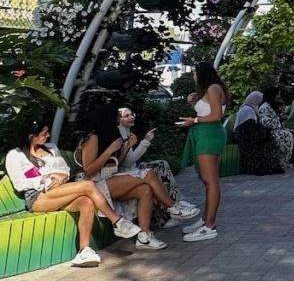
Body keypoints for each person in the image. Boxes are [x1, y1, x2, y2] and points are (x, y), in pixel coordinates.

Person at [5, 118, 142, 267]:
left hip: (60, 190)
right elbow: (20, 183)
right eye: (44, 133)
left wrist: (61, 177)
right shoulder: (15, 155)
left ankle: (84, 251)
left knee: (87, 201)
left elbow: (65, 169)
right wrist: (46, 178)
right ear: (31, 136)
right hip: (37, 196)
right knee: (88, 185)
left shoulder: (51, 148)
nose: (48, 135)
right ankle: (118, 222)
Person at [78, 103, 199, 251]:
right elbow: (88, 170)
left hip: (109, 178)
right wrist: (110, 149)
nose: (118, 119)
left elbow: (117, 163)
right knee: (148, 174)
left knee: (145, 189)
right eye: (117, 116)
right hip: (95, 184)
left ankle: (144, 236)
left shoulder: (110, 134)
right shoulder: (92, 137)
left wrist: (126, 147)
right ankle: (173, 207)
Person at [117, 106, 196, 228]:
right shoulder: (119, 134)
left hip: (132, 169)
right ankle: (171, 208)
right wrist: (145, 142)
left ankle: (175, 203)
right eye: (126, 116)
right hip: (126, 172)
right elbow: (126, 162)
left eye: (132, 114)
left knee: (161, 164)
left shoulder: (126, 131)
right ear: (118, 119)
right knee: (153, 173)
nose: (131, 117)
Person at [180, 61, 228, 242]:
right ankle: (205, 220)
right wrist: (193, 103)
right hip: (204, 134)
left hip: (209, 135)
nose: (193, 77)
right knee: (207, 181)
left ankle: (209, 225)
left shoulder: (213, 89)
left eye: (194, 73)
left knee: (211, 181)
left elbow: (216, 115)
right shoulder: (209, 90)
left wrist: (194, 121)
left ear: (201, 74)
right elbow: (205, 112)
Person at [234, 91, 287, 175]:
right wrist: (266, 133)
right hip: (246, 140)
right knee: (268, 142)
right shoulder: (248, 110)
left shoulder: (249, 108)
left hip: (249, 137)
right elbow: (248, 128)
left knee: (270, 139)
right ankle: (268, 167)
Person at [258, 86, 294, 164]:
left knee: (292, 133)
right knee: (286, 136)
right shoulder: (265, 107)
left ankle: (288, 160)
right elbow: (267, 123)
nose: (279, 97)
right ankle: (281, 162)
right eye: (277, 95)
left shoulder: (271, 106)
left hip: (275, 130)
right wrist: (280, 119)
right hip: (269, 132)